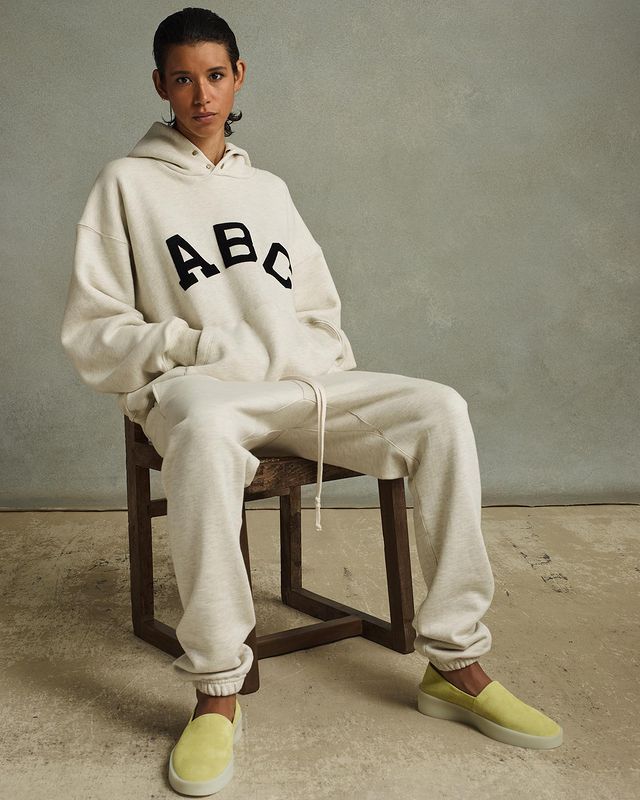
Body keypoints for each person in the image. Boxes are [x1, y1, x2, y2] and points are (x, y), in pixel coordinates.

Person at [60, 7, 563, 797]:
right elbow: (94, 335)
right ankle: (218, 691)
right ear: (160, 85)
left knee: (441, 409)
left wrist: (300, 361)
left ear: (239, 77)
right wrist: (200, 346)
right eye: (183, 79)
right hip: (201, 393)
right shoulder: (125, 183)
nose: (201, 95)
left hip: (301, 388)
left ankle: (456, 663)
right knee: (204, 427)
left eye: (215, 76)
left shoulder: (269, 190)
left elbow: (324, 315)